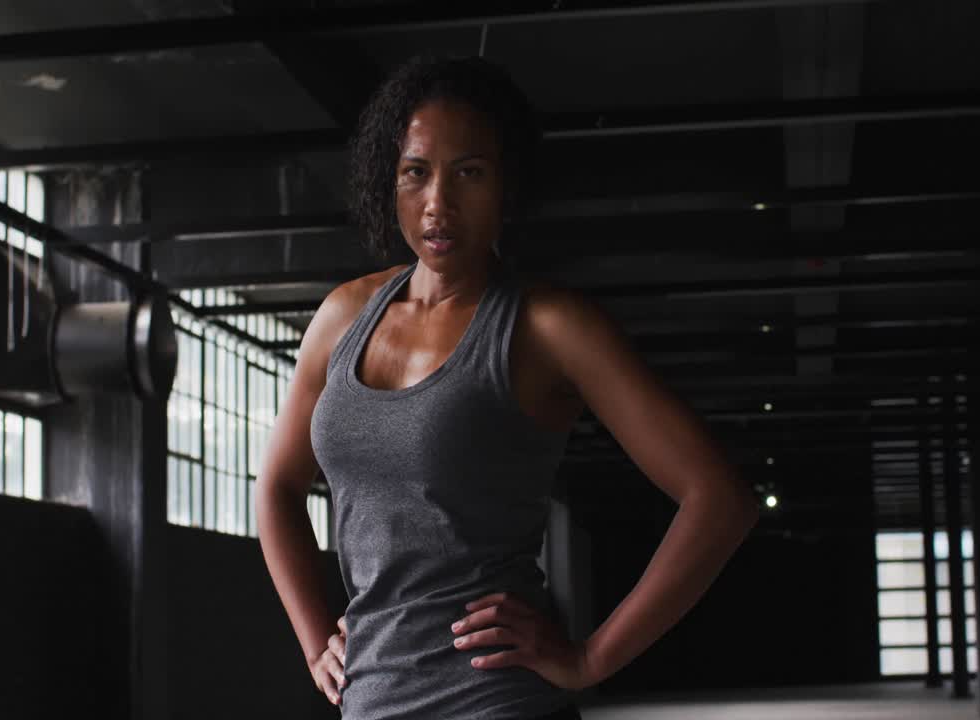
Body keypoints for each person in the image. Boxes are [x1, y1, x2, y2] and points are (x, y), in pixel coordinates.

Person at [257, 54, 759, 720]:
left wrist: (590, 659)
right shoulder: (343, 316)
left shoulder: (548, 326)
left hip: (497, 700)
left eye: (470, 173)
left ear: (508, 186)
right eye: (416, 173)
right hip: (370, 702)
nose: (439, 202)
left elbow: (720, 499)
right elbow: (278, 487)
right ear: (391, 182)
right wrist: (314, 637)